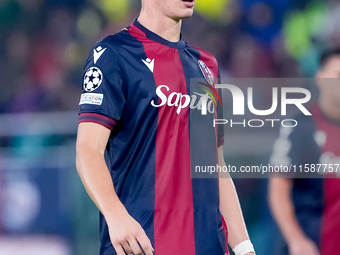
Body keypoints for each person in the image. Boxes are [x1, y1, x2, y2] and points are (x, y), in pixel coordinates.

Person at [76, 0, 255, 255]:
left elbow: (215, 165)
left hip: (207, 246)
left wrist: (244, 247)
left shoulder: (207, 66)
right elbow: (87, 150)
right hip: (143, 244)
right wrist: (116, 216)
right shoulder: (113, 54)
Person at [268, 47, 340, 255]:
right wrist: (296, 240)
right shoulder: (302, 125)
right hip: (313, 244)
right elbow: (278, 189)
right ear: (320, 79)